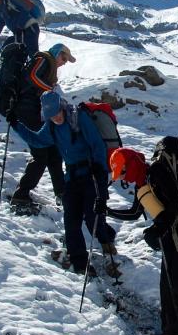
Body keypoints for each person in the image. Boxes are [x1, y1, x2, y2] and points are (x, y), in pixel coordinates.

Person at [107, 147, 178, 335]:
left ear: (131, 164)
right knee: (167, 281)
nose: (124, 178)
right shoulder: (143, 182)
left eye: (123, 172)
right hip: (173, 232)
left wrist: (156, 230)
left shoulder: (157, 172)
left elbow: (174, 205)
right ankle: (173, 332)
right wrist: (106, 211)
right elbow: (134, 213)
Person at [13, 91, 116, 276]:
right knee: (71, 221)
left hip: (92, 173)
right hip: (72, 177)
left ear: (62, 107)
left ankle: (106, 238)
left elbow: (97, 144)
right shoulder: (51, 126)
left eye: (57, 113)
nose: (56, 118)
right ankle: (80, 263)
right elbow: (37, 140)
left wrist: (100, 172)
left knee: (93, 216)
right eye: (51, 115)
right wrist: (16, 125)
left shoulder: (79, 118)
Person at [7, 43, 77, 212]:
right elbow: (32, 76)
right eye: (64, 58)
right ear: (57, 53)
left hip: (34, 111)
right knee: (41, 154)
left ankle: (62, 193)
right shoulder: (44, 59)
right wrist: (50, 90)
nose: (64, 62)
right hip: (27, 109)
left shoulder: (49, 65)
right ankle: (21, 195)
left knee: (54, 152)